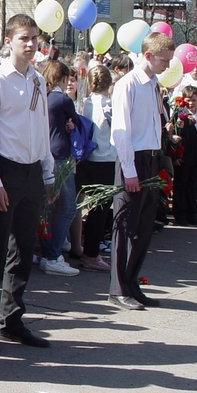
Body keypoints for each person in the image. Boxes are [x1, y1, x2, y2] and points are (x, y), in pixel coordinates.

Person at [0, 14, 55, 354]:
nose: (31, 44)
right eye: (24, 38)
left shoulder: (38, 80)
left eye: (34, 38)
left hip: (32, 171)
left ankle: (12, 320)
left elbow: (43, 128)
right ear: (8, 41)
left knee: (23, 250)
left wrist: (47, 173)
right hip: (4, 172)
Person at [108, 31, 175, 309]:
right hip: (132, 160)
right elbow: (121, 131)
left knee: (144, 227)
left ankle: (132, 282)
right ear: (148, 56)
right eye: (164, 59)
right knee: (125, 226)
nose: (167, 65)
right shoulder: (128, 84)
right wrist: (129, 170)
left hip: (150, 158)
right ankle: (117, 288)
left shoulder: (153, 84)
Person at [38, 60, 81, 277]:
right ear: (63, 78)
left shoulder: (41, 96)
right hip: (60, 157)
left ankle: (47, 251)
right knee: (67, 207)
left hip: (43, 155)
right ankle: (52, 255)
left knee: (47, 208)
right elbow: (79, 124)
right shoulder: (62, 99)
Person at [77, 64, 115, 271]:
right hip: (104, 160)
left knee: (80, 208)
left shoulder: (84, 103)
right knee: (99, 211)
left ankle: (80, 247)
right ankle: (91, 254)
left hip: (85, 160)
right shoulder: (109, 105)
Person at [173, 85, 197, 227]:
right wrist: (176, 155)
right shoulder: (180, 114)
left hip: (196, 155)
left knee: (193, 185)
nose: (191, 103)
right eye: (188, 100)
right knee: (181, 185)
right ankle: (179, 214)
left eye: (194, 100)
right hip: (183, 156)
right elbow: (176, 135)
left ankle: (192, 213)